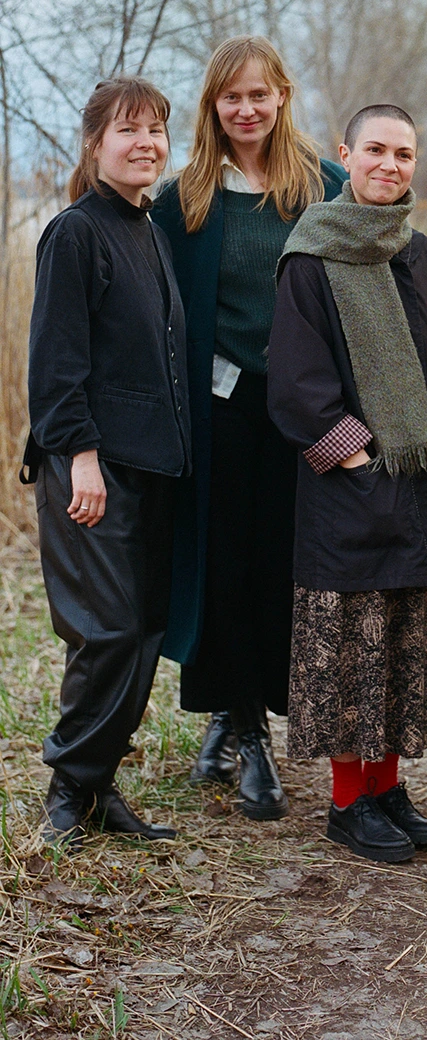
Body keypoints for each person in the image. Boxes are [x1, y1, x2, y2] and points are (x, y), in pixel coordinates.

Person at [267, 104, 427, 863]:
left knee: (401, 649)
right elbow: (297, 383)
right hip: (350, 492)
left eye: (403, 153)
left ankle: (387, 787)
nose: (390, 165)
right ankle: (345, 803)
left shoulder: (422, 253)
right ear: (346, 155)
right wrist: (361, 466)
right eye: (376, 151)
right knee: (351, 651)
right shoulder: (310, 257)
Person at [152, 36, 345, 820]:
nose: (247, 109)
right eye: (232, 97)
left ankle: (254, 709)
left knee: (281, 566)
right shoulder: (186, 197)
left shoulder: (321, 186)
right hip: (220, 411)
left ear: (282, 97)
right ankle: (243, 730)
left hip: (299, 412)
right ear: (213, 106)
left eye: (259, 95)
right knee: (222, 563)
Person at [25, 77, 189, 848]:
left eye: (157, 129)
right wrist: (80, 458)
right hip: (91, 469)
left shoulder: (147, 230)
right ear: (96, 143)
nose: (146, 143)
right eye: (129, 130)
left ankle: (96, 788)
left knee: (145, 630)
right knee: (109, 631)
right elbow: (56, 365)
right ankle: (67, 787)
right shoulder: (76, 231)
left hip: (152, 467)